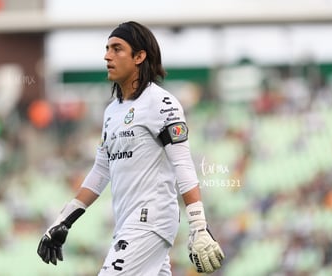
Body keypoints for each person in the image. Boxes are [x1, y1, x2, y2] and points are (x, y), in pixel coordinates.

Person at [37, 21, 225, 275]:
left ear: (139, 56)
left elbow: (183, 163)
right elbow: (100, 172)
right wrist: (64, 221)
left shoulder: (162, 103)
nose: (107, 56)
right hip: (127, 224)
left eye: (117, 49)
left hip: (151, 221)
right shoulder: (111, 111)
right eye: (107, 49)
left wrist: (199, 225)